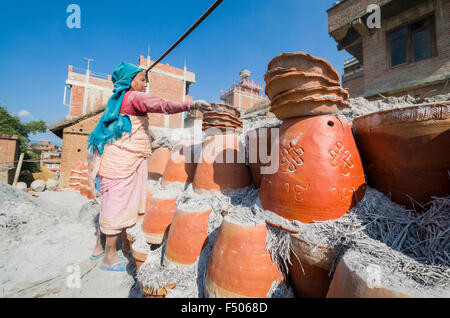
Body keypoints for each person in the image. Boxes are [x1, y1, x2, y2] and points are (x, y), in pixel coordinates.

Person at [87, 62, 211, 271]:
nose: (145, 84)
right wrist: (192, 105)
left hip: (118, 159)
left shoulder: (118, 102)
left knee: (110, 203)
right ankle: (109, 256)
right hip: (123, 162)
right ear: (129, 81)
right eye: (142, 79)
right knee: (117, 205)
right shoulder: (133, 97)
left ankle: (99, 247)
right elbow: (160, 105)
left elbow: (133, 130)